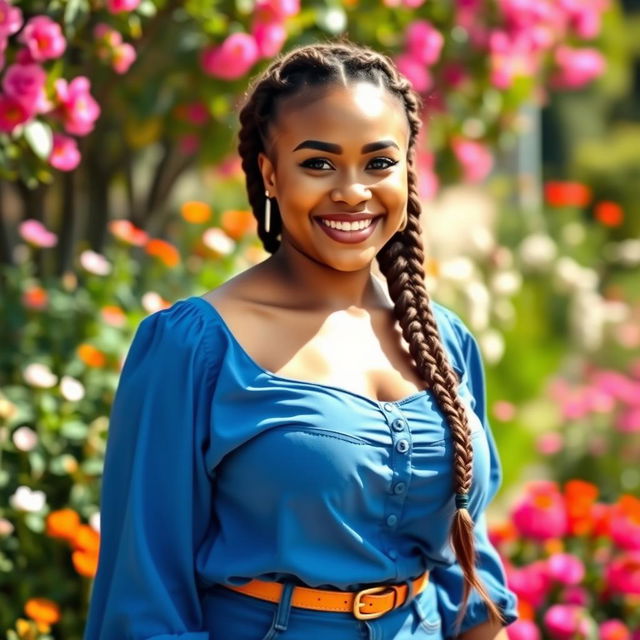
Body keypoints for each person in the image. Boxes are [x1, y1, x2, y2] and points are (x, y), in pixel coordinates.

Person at [83, 41, 518, 640]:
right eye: (318, 163)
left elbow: (471, 575)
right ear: (270, 173)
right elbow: (145, 593)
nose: (352, 191)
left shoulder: (444, 341)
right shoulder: (193, 346)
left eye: (378, 162)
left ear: (407, 171)